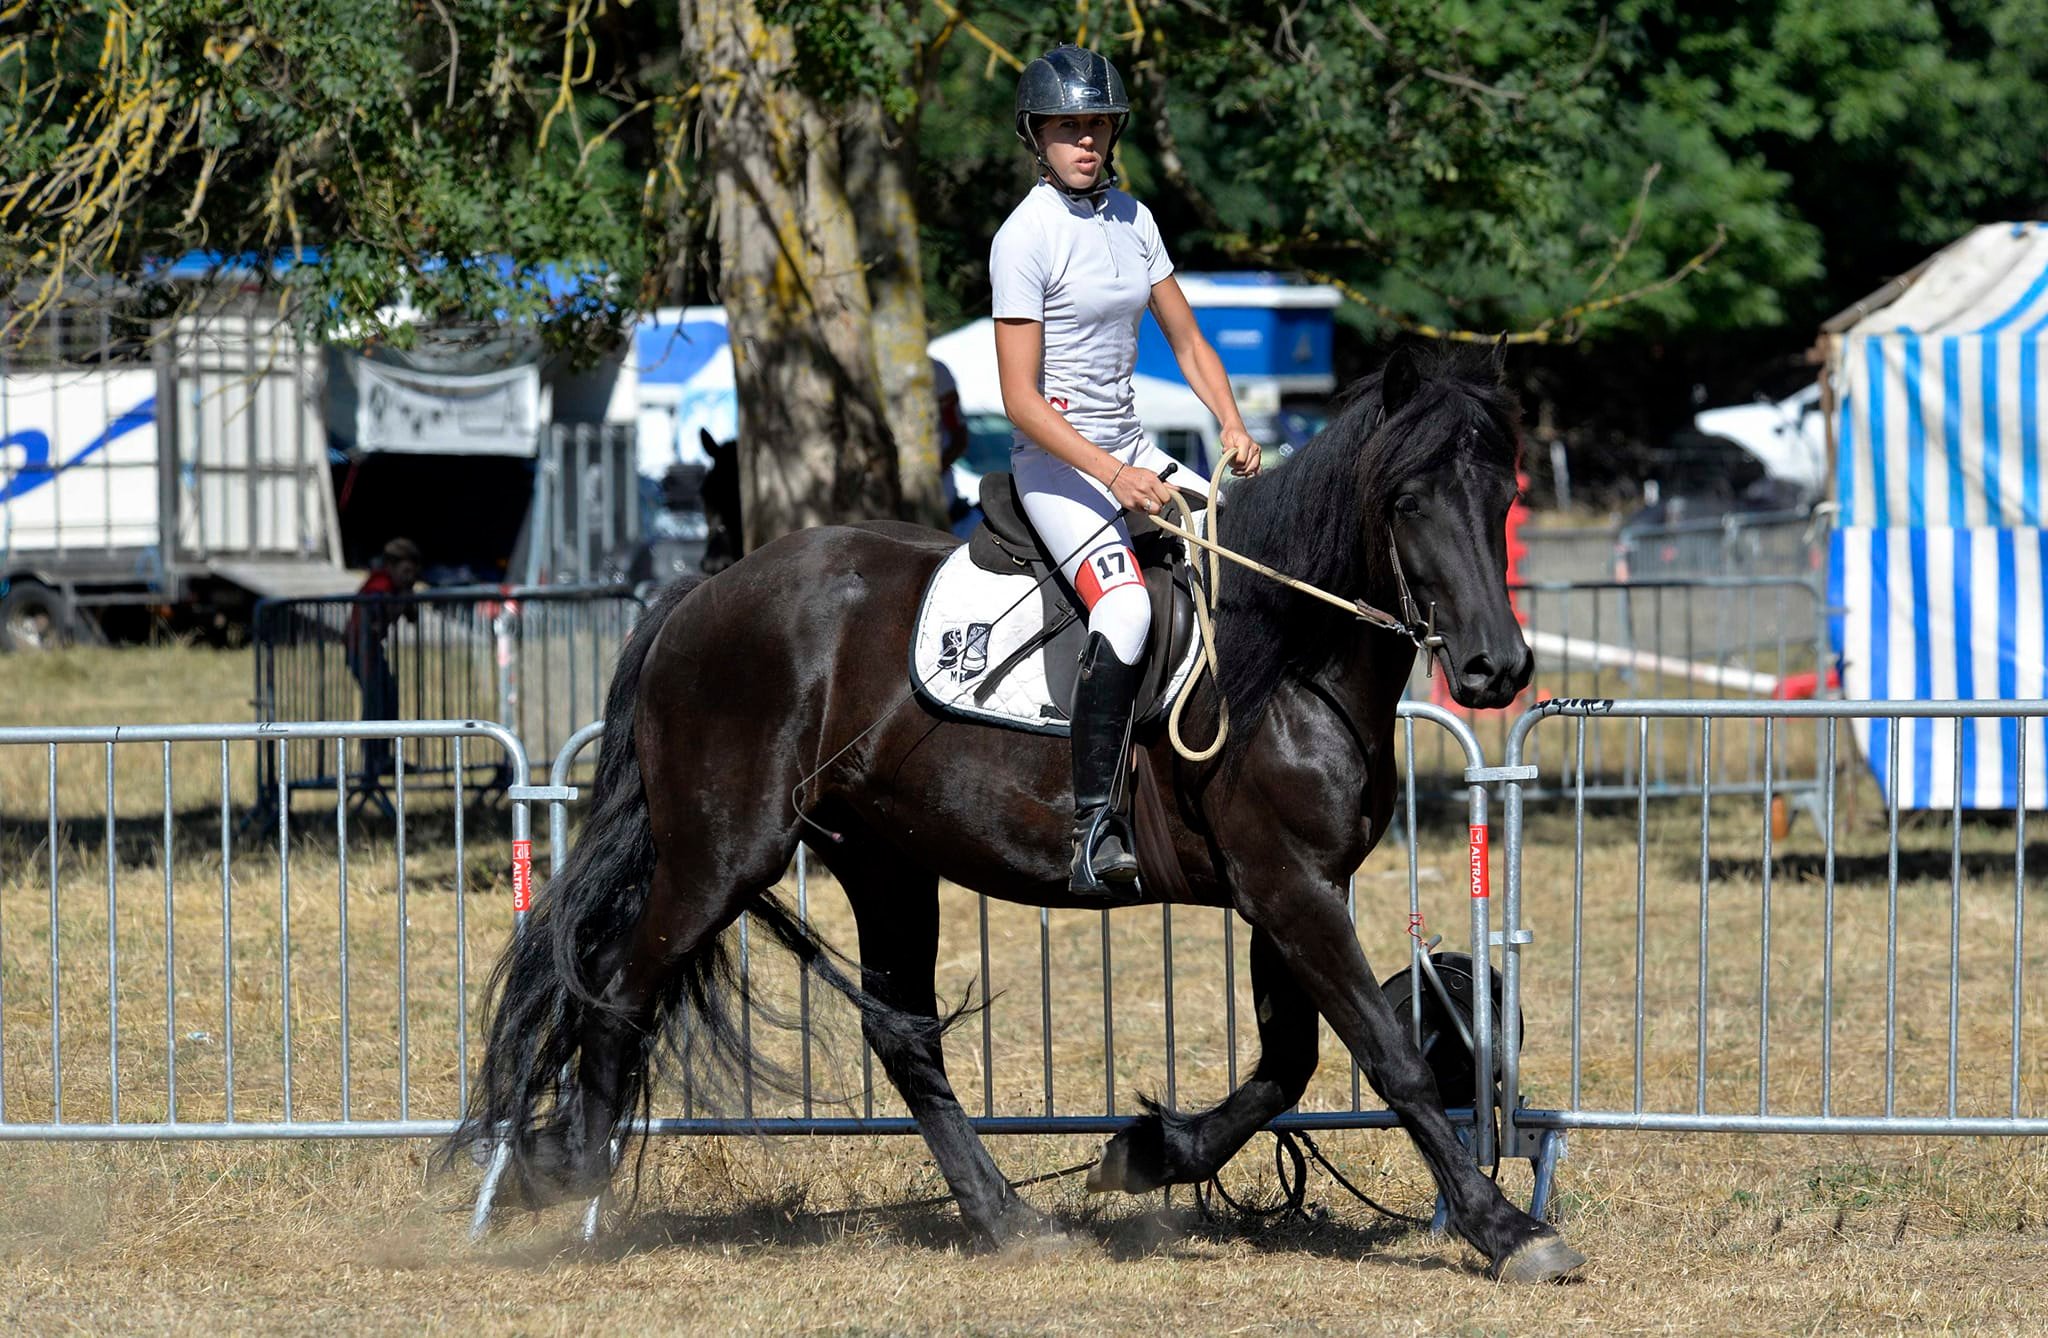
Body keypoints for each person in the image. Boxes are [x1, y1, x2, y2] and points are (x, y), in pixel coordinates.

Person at [992, 43, 1261, 894]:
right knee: (1129, 612)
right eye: (1069, 127)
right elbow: (1019, 400)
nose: (1086, 141)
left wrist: (1229, 420)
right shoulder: (1024, 236)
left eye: (1098, 125)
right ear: (1037, 136)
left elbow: (1185, 338)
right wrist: (1111, 476)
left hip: (1133, 449)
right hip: (1058, 462)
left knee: (1243, 555)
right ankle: (1093, 823)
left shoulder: (1135, 221)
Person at [346, 537, 421, 781]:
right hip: (361, 650)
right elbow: (377, 615)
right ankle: (372, 761)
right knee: (376, 702)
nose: (410, 577)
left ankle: (382, 757)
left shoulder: (396, 587)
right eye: (406, 571)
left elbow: (412, 616)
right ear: (391, 566)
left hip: (372, 649)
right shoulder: (380, 583)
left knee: (387, 698)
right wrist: (399, 601)